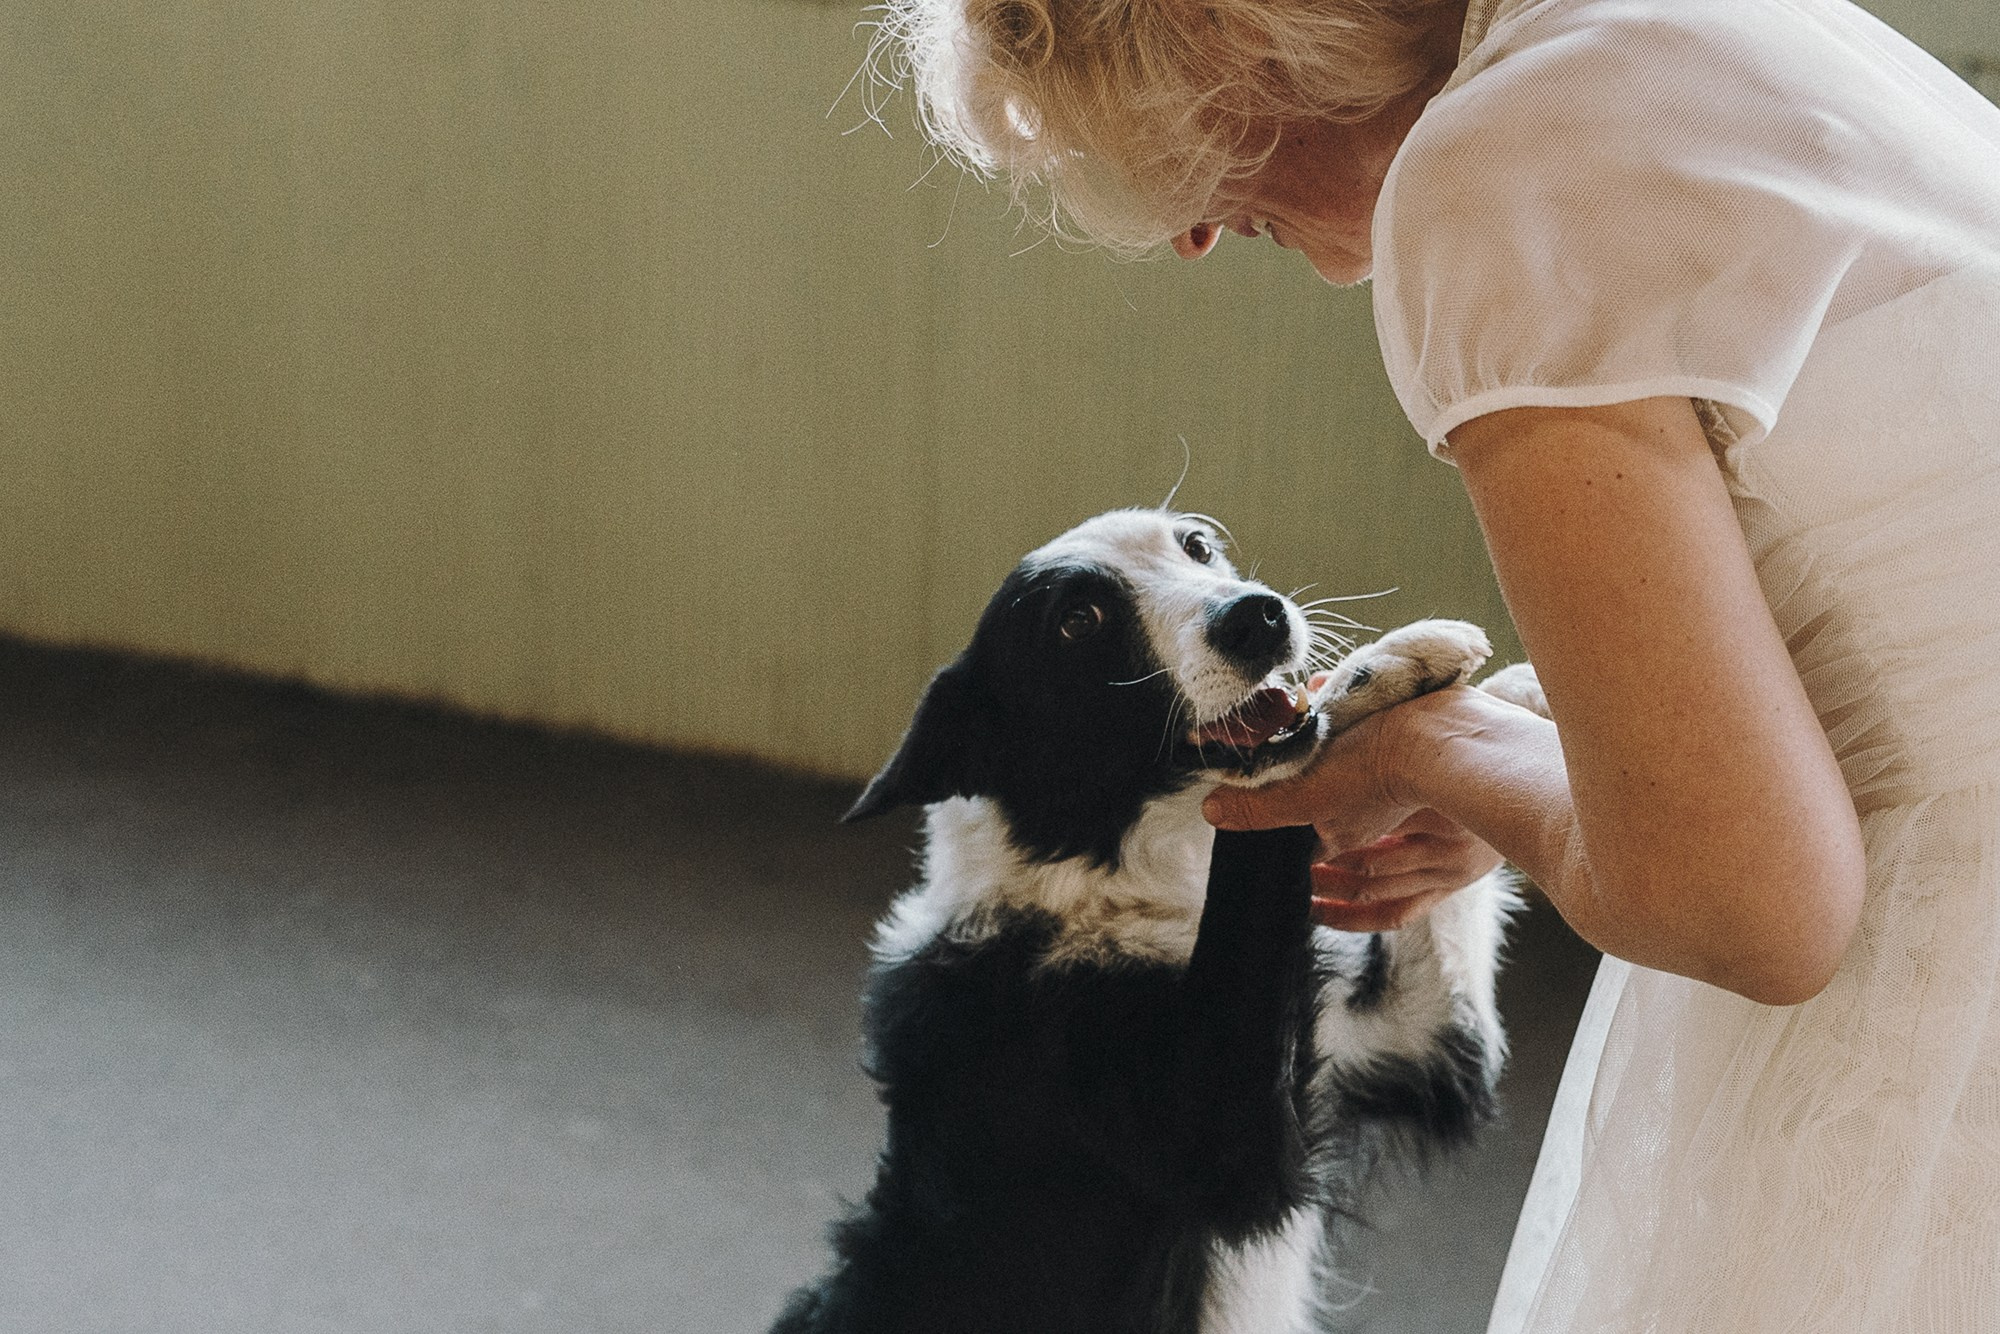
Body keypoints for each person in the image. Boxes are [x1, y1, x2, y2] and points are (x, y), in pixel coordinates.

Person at [869, 0, 2000, 1328]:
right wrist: (1535, 755)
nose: (1188, 231)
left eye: (1174, 145)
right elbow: (1914, 604)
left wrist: (1430, 747)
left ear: (1244, 43)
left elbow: (1747, 903)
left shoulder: (1497, 176)